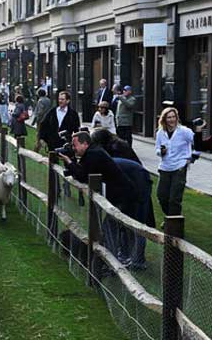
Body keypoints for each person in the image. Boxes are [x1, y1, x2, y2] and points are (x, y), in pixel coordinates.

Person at [59, 131, 137, 262]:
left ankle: (114, 260)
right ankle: (117, 257)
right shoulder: (92, 153)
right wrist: (70, 163)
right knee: (114, 227)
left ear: (85, 143)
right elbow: (81, 173)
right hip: (119, 195)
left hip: (123, 195)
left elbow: (82, 176)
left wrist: (69, 161)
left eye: (74, 145)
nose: (73, 148)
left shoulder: (93, 154)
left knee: (113, 227)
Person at [113, 157, 154, 269]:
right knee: (123, 223)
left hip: (140, 185)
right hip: (129, 187)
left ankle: (138, 261)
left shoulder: (102, 165)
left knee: (138, 225)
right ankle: (125, 254)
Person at [155, 107, 195, 216]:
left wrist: (192, 158)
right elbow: (157, 150)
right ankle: (171, 218)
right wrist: (161, 152)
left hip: (179, 167)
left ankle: (174, 222)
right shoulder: (160, 132)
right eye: (169, 117)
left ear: (177, 118)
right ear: (164, 119)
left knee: (174, 199)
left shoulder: (184, 131)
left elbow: (197, 143)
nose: (171, 119)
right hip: (165, 167)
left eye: (173, 117)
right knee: (161, 196)